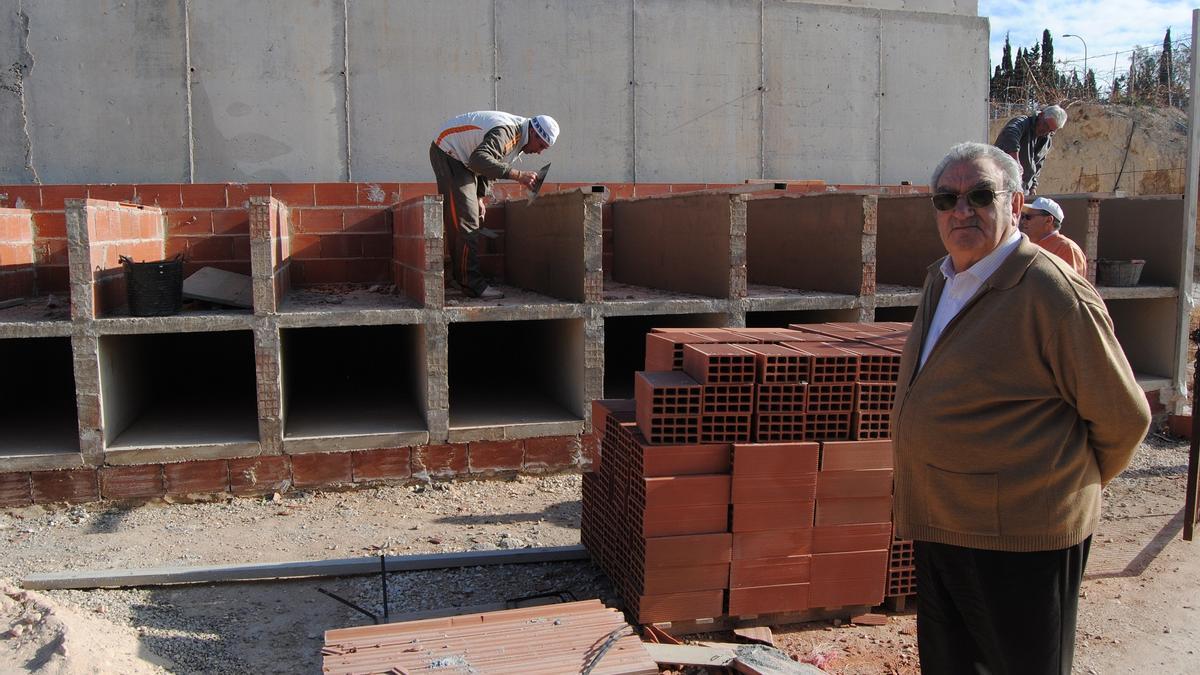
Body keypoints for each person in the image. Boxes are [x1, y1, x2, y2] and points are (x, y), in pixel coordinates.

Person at [892, 142, 1150, 675]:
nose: (962, 211)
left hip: (1021, 540)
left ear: (1016, 204)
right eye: (947, 199)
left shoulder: (1051, 293)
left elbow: (1124, 417)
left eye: (981, 195)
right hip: (944, 522)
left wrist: (1054, 486)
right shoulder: (941, 279)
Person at [430, 111, 559, 299]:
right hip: (448, 152)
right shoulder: (508, 133)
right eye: (540, 145)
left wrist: (480, 196)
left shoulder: (519, 138)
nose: (539, 151)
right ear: (533, 132)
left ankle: (459, 277)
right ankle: (471, 284)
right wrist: (517, 175)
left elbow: (489, 165)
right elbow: (479, 160)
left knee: (469, 215)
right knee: (467, 221)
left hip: (463, 159)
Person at [994, 104, 1067, 196]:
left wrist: (1033, 187)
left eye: (1051, 130)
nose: (1045, 131)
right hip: (1002, 181)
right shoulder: (1022, 122)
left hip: (1023, 188)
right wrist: (1015, 162)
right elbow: (1010, 134)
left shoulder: (1046, 140)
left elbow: (1037, 166)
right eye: (1045, 125)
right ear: (1041, 115)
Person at [1020, 196, 1087, 276]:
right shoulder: (1029, 245)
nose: (1023, 221)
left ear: (1048, 220)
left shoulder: (1067, 249)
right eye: (1023, 216)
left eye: (1028, 217)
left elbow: (1070, 287)